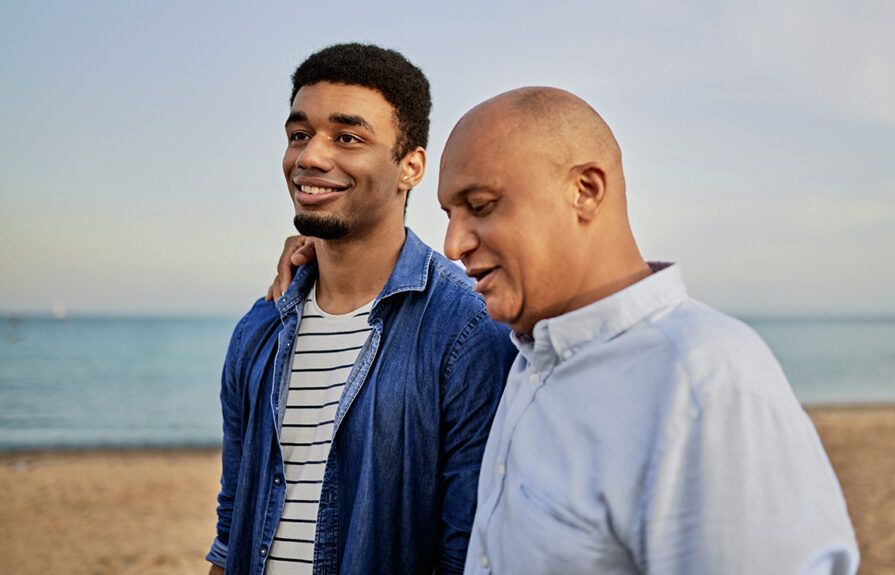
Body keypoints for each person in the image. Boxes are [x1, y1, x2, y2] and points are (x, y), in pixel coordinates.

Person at [274, 87, 860, 573]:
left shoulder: (702, 382)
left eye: (481, 205)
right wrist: (323, 258)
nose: (454, 245)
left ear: (586, 190)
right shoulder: (525, 359)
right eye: (450, 216)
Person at [207, 43, 515, 575]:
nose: (310, 157)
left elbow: (465, 548)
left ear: (410, 167)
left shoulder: (467, 330)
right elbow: (232, 525)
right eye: (299, 135)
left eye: (347, 138)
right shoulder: (259, 329)